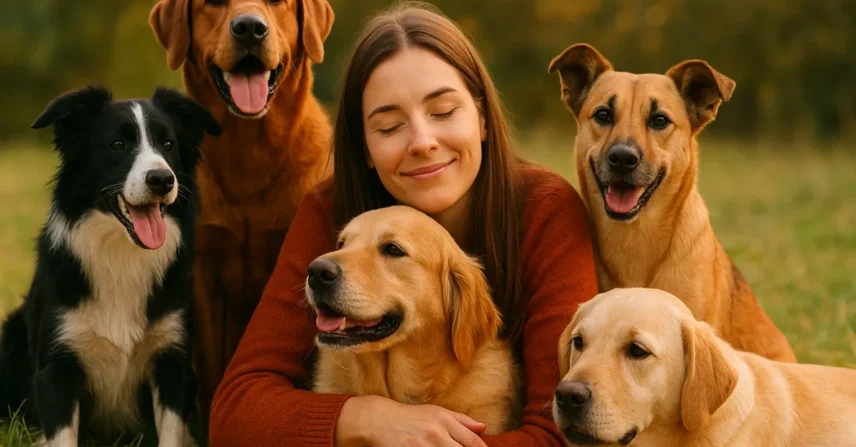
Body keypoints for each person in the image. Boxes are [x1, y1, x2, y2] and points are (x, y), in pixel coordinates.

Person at [209, 2, 598, 446]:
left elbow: (560, 434)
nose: (422, 142)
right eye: (390, 126)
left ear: (484, 118)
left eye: (444, 111)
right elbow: (236, 410)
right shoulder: (329, 210)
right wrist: (365, 418)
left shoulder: (545, 209)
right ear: (365, 150)